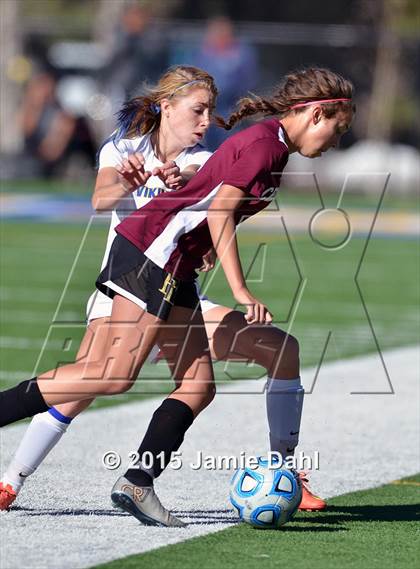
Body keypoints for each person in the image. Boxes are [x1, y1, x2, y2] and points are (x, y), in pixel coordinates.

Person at [0, 67, 354, 526]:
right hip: (154, 255)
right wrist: (242, 290)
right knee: (110, 375)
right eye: (336, 129)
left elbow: (206, 203)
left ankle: (137, 482)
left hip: (173, 263)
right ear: (314, 113)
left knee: (197, 386)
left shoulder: (273, 147)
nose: (334, 142)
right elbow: (221, 211)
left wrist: (201, 249)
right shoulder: (265, 146)